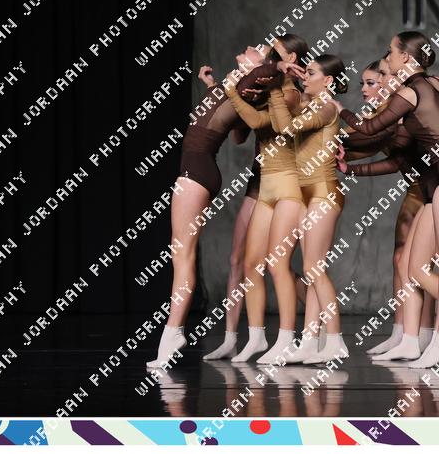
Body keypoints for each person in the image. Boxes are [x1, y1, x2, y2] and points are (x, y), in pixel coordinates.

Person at [336, 31, 439, 368]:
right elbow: (399, 145)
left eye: (391, 52)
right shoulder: (432, 85)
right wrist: (350, 167)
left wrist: (339, 110)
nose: (388, 57)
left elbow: (369, 129)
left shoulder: (412, 90)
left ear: (405, 57)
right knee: (414, 266)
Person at [146, 53, 275, 368]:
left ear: (259, 68)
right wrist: (211, 84)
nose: (246, 49)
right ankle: (174, 333)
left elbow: (263, 74)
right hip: (198, 171)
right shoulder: (235, 88)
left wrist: (276, 66)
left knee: (183, 256)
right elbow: (234, 128)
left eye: (255, 51)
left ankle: (173, 333)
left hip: (196, 172)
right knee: (181, 254)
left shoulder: (247, 84)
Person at [221, 35, 312, 363]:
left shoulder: (292, 94)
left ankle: (292, 337)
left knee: (279, 265)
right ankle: (257, 337)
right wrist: (238, 89)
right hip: (265, 186)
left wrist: (245, 88)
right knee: (250, 263)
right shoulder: (267, 90)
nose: (269, 59)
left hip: (289, 183)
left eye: (274, 55)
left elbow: (270, 122)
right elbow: (246, 127)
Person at [343, 59, 432, 355]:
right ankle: (400, 331)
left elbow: (366, 139)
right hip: (415, 189)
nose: (365, 89)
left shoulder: (399, 111)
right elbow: (361, 147)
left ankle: (428, 333)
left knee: (421, 264)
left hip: (436, 189)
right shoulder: (378, 114)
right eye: (364, 83)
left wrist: (330, 133)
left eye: (373, 82)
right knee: (400, 259)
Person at [270, 55, 351, 364]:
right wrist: (282, 73)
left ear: (328, 81)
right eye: (305, 72)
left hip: (323, 193)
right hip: (307, 194)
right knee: (311, 269)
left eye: (312, 73)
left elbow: (286, 128)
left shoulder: (326, 107)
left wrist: (276, 87)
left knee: (313, 269)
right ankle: (309, 340)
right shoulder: (311, 104)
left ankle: (335, 340)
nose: (305, 77)